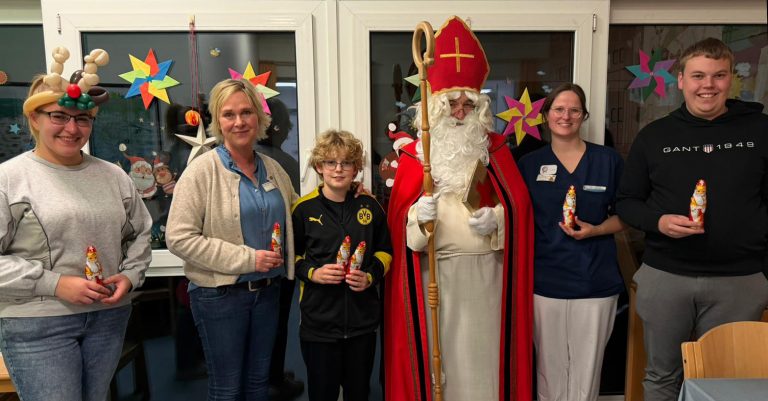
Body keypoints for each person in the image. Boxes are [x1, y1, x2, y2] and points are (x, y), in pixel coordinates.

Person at [384, 16, 534, 401]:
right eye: (453, 102)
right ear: (436, 106)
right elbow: (400, 226)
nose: (462, 111)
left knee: (482, 365)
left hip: (488, 279)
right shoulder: (418, 157)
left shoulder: (496, 150)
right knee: (438, 366)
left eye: (470, 102)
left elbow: (520, 210)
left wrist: (499, 220)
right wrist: (418, 218)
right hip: (433, 278)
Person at [616, 37, 768, 401]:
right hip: (667, 276)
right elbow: (626, 203)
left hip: (740, 280)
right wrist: (659, 222)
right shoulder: (655, 136)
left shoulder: (761, 130)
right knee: (661, 377)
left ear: (731, 79)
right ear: (681, 79)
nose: (708, 85)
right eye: (698, 75)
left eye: (718, 75)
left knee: (727, 378)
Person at [0, 47, 152, 401]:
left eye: (82, 119)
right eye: (58, 116)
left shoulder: (113, 175)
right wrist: (54, 284)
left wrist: (129, 276)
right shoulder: (10, 179)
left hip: (108, 318)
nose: (72, 128)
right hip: (36, 323)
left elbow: (140, 234)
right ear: (34, 118)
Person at [166, 78, 298, 401]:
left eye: (246, 112)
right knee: (227, 390)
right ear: (217, 122)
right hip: (220, 297)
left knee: (258, 387)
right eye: (228, 114)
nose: (239, 121)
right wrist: (247, 259)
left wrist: (343, 195)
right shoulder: (201, 171)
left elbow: (300, 210)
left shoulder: (273, 168)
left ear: (259, 118)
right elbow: (178, 238)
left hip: (268, 295)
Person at [517, 83, 625, 401]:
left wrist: (595, 230)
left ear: (584, 115)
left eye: (574, 110)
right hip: (545, 282)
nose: (566, 116)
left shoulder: (608, 161)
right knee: (549, 370)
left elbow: (627, 215)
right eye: (559, 109)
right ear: (546, 115)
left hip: (595, 282)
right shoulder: (528, 165)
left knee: (586, 370)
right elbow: (514, 217)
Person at [292, 129, 392, 401]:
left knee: (358, 394)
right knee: (322, 394)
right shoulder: (303, 209)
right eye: (330, 162)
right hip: (319, 326)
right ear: (319, 166)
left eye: (346, 163)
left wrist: (370, 277)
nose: (338, 169)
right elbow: (292, 259)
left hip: (362, 324)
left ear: (356, 168)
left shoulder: (370, 206)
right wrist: (314, 273)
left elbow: (386, 252)